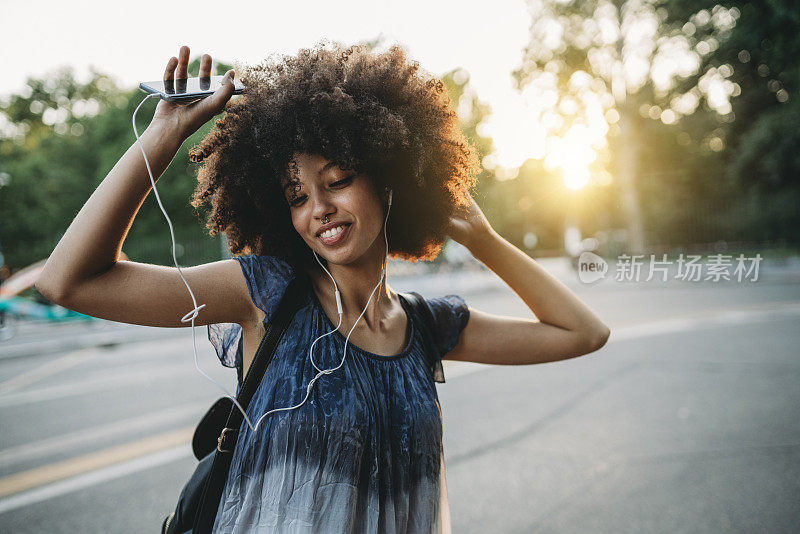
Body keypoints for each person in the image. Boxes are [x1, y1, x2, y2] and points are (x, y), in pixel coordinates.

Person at [35, 42, 610, 533]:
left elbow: (582, 332)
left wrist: (482, 237)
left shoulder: (426, 327)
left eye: (337, 180)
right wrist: (165, 134)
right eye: (297, 196)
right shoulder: (266, 294)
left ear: (388, 180)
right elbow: (70, 281)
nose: (320, 209)